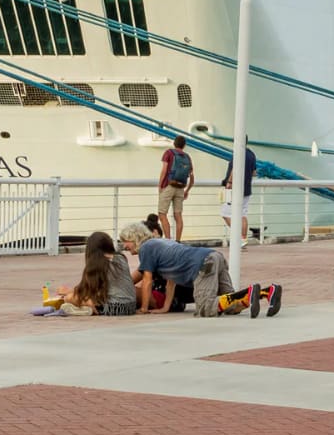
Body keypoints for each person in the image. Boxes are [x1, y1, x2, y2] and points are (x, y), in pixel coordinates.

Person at [119, 222, 282, 317]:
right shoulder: (161, 243)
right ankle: (267, 292)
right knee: (230, 305)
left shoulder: (146, 248)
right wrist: (165, 308)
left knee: (206, 307)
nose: (124, 246)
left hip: (203, 264)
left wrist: (144, 309)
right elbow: (171, 281)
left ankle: (252, 291)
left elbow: (146, 281)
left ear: (135, 238)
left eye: (125, 241)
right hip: (214, 257)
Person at [57, 231, 138, 316]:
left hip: (114, 307)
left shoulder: (97, 264)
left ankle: (86, 308)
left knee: (69, 298)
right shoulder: (120, 258)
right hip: (130, 307)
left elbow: (89, 289)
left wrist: (69, 292)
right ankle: (87, 307)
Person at [157, 135, 194, 241]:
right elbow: (192, 177)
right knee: (178, 215)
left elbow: (164, 170)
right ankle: (178, 241)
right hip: (181, 187)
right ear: (184, 145)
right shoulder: (187, 157)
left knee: (162, 214)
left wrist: (160, 185)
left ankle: (168, 240)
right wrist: (187, 190)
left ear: (174, 143)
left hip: (168, 186)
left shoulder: (169, 153)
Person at [220, 140, 257, 245]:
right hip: (246, 189)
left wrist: (229, 182)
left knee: (225, 213)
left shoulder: (238, 153)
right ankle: (243, 239)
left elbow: (234, 168)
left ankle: (237, 235)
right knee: (243, 214)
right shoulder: (251, 154)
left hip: (233, 188)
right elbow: (254, 172)